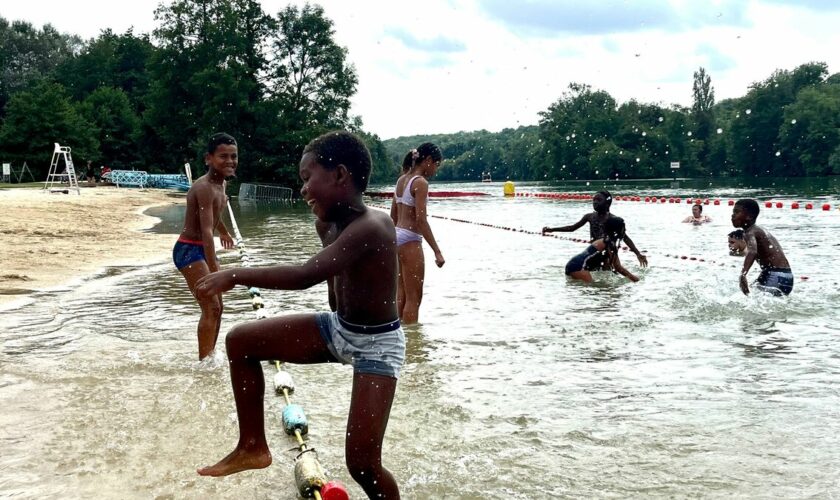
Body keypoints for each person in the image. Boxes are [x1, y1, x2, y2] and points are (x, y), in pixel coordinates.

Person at [193, 131, 404, 499]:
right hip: (338, 329)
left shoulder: (375, 225)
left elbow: (306, 274)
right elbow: (334, 282)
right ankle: (253, 446)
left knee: (362, 464)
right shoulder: (326, 223)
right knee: (241, 341)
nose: (303, 190)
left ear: (340, 175)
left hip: (378, 346)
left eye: (308, 179)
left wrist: (235, 274)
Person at [172, 132, 237, 359]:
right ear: (209, 159)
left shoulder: (222, 184)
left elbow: (214, 216)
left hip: (201, 249)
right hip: (188, 250)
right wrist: (215, 268)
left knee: (219, 308)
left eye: (233, 156)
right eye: (223, 156)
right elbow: (206, 230)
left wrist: (225, 231)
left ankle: (210, 356)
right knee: (210, 307)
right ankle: (203, 363)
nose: (229, 161)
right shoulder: (204, 187)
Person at [389, 143, 445, 325]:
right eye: (436, 164)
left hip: (396, 236)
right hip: (411, 239)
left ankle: (397, 336)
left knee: (401, 294)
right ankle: (413, 345)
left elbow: (393, 217)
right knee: (414, 298)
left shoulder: (401, 180)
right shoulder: (420, 183)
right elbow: (421, 221)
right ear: (428, 160)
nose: (436, 169)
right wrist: (437, 251)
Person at [542, 190, 648, 268]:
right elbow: (572, 228)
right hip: (593, 254)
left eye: (598, 200)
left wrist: (638, 254)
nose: (595, 202)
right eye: (594, 200)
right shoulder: (589, 217)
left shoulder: (613, 220)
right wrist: (552, 229)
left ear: (607, 203)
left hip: (608, 256)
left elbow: (625, 238)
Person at [731, 199, 793, 296]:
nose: (733, 215)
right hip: (785, 275)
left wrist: (743, 274)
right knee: (751, 297)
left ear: (749, 216)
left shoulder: (749, 232)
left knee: (754, 303)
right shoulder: (759, 230)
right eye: (733, 212)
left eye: (737, 212)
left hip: (775, 275)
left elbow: (752, 252)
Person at [565, 216, 639, 283]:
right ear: (618, 230)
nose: (625, 230)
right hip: (578, 267)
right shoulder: (610, 244)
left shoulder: (605, 240)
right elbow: (618, 267)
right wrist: (635, 279)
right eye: (623, 227)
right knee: (591, 289)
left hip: (573, 264)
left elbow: (611, 265)